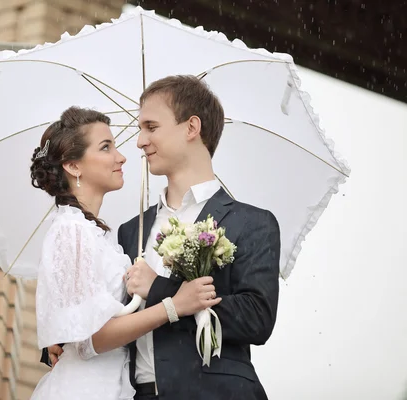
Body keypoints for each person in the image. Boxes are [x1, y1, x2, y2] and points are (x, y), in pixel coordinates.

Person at [46, 77, 281, 399]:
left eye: (151, 127)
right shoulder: (129, 231)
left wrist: (161, 289)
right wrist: (69, 336)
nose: (140, 142)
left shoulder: (251, 222)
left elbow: (257, 320)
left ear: (191, 127)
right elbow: (107, 318)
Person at [30, 106, 219, 400]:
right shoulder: (70, 231)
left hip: (118, 385)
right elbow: (91, 340)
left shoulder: (100, 234)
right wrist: (173, 306)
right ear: (73, 166)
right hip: (86, 389)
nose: (121, 157)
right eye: (106, 147)